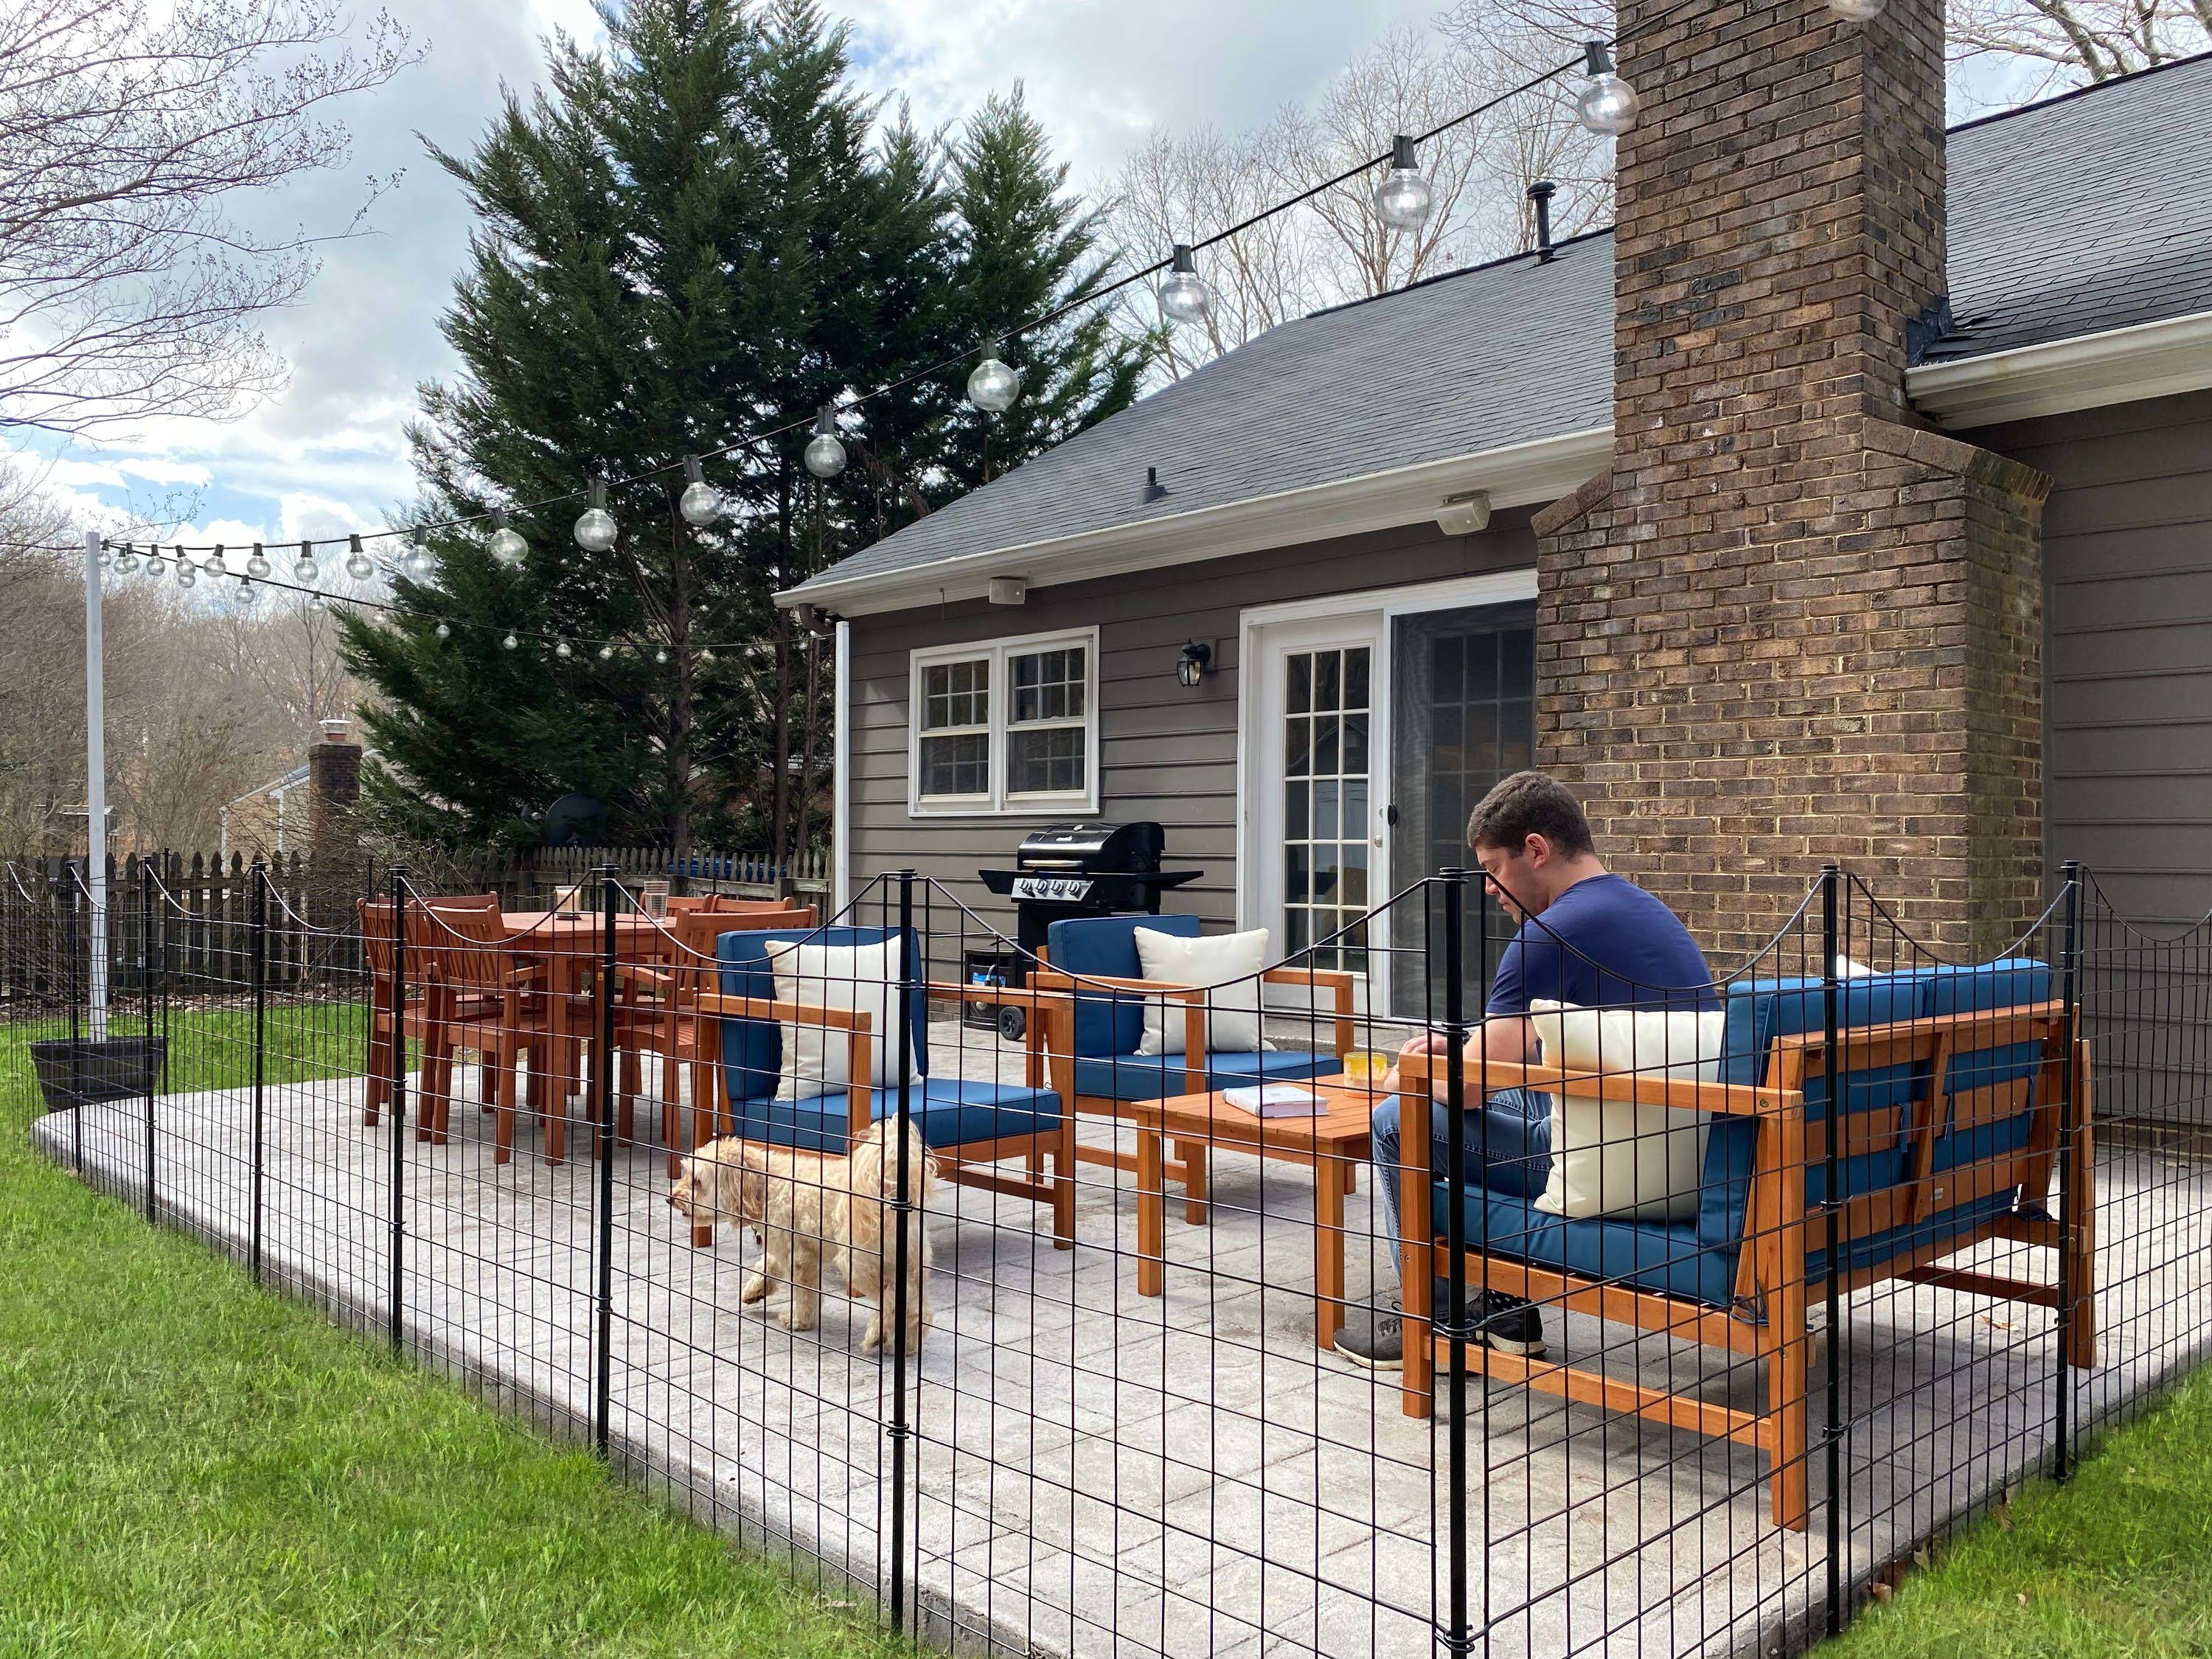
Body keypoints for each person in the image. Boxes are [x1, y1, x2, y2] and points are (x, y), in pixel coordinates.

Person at [1336, 771, 1717, 1371]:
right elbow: (1528, 1049)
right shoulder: (1641, 909)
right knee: (1511, 1094)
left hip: (1621, 1167)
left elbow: (1467, 1087)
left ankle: (1431, 1319)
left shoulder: (1550, 933)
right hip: (1695, 1146)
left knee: (1398, 1118)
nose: (1490, 888)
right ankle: (1505, 1310)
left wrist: (1399, 1074)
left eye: (1493, 869)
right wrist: (1460, 1044)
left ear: (1535, 849)